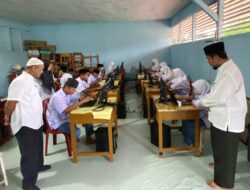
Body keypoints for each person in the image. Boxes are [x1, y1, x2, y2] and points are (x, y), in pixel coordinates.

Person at [201, 42, 247, 189]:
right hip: (221, 116)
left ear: (215, 57)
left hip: (228, 118)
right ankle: (220, 164)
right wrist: (208, 101)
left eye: (208, 59)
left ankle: (224, 185)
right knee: (220, 147)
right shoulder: (224, 69)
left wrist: (200, 101)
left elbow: (216, 97)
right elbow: (218, 93)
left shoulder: (228, 73)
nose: (208, 62)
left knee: (226, 149)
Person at [4, 57, 51, 190]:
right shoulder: (20, 82)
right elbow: (10, 103)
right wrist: (7, 116)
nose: (42, 72)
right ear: (33, 68)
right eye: (41, 69)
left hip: (35, 121)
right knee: (29, 153)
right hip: (26, 123)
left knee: (38, 147)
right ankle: (28, 183)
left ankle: (39, 166)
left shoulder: (32, 80)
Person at [47, 78, 95, 144]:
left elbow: (77, 99)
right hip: (58, 122)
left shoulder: (68, 93)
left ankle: (88, 139)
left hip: (67, 117)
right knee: (77, 132)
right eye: (73, 90)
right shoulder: (57, 97)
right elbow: (66, 110)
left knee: (88, 119)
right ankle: (73, 145)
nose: (74, 92)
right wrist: (83, 101)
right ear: (67, 87)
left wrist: (86, 97)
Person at [182, 79, 211, 145]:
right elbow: (195, 101)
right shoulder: (202, 94)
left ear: (202, 88)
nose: (194, 91)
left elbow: (198, 103)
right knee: (185, 117)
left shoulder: (208, 97)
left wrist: (192, 100)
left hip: (207, 119)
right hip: (201, 115)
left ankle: (193, 144)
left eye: (196, 89)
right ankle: (187, 139)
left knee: (189, 122)